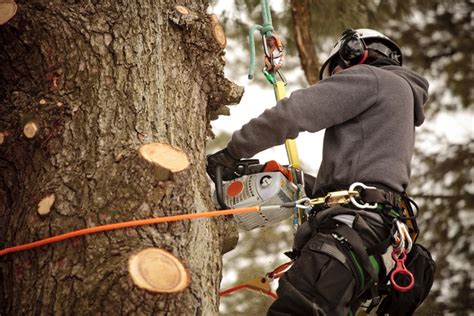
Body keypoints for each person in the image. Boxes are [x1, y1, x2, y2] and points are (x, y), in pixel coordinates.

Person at [207, 28, 429, 315]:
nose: (338, 82)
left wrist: (232, 152)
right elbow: (365, 180)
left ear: (355, 53)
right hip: (371, 239)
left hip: (348, 233)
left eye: (338, 73)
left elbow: (293, 113)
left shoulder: (372, 78)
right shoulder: (400, 99)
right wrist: (299, 181)